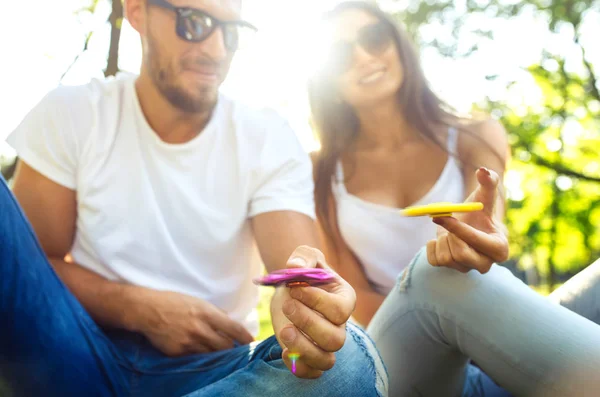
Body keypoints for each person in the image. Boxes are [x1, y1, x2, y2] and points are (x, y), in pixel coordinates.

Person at [0, 0, 388, 396]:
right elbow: (32, 269)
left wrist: (302, 307)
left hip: (214, 370)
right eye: (195, 22)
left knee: (349, 359)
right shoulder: (74, 111)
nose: (217, 50)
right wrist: (138, 307)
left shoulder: (266, 136)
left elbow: (295, 269)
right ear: (137, 12)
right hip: (73, 347)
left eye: (232, 32)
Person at [306, 1, 600, 396]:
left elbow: (486, 220)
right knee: (436, 274)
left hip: (495, 340)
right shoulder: (318, 172)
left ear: (399, 47)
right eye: (341, 54)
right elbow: (352, 293)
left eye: (374, 38)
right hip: (404, 361)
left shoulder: (475, 134)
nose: (363, 55)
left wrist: (484, 234)